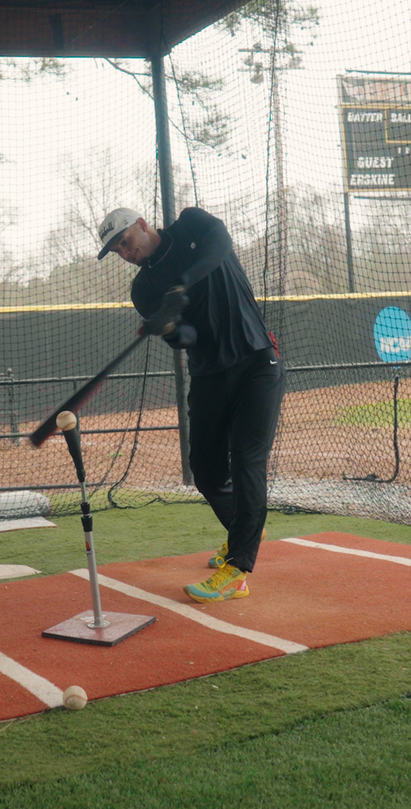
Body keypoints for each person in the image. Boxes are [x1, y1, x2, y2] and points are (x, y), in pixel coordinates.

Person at [97, 206, 285, 603]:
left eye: (125, 243)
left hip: (256, 361)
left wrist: (182, 284)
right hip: (209, 375)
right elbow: (186, 340)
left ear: (143, 225)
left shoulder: (192, 226)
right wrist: (169, 327)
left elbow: (220, 247)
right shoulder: (143, 291)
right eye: (117, 251)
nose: (125, 253)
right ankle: (244, 525)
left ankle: (237, 569)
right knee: (205, 470)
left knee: (247, 458)